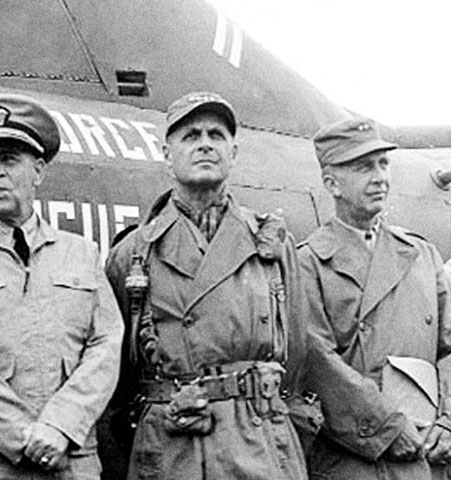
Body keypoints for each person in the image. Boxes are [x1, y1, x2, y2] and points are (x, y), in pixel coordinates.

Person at [104, 91, 309, 480]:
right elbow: (119, 372)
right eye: (190, 135)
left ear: (233, 152)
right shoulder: (133, 253)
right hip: (169, 444)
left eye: (216, 135)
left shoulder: (271, 244)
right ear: (167, 154)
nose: (204, 144)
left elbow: (297, 355)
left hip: (258, 440)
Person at [0, 93, 123, 480]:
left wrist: (60, 427)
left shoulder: (80, 254)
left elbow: (106, 347)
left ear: (39, 171)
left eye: (9, 160)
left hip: (72, 460)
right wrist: (24, 436)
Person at [297, 117, 451, 480]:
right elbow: (316, 359)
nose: (379, 177)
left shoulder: (421, 253)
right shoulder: (307, 263)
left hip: (427, 455)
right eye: (362, 166)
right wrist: (388, 428)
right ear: (331, 183)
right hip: (351, 460)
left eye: (383, 164)